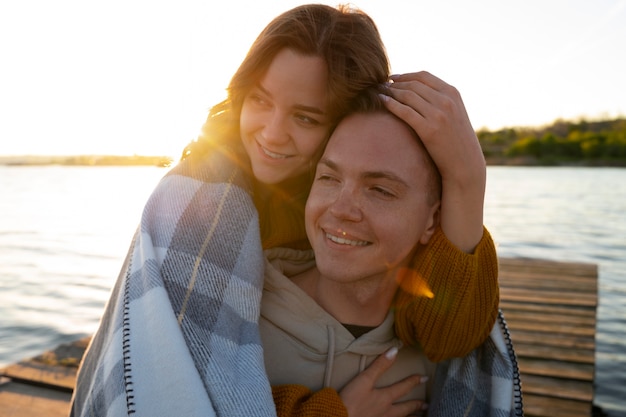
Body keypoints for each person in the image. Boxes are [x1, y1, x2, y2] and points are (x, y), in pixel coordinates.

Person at [70, 4, 500, 417]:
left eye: (306, 118)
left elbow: (452, 338)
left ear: (346, 123)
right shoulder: (197, 203)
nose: (272, 135)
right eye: (259, 100)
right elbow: (178, 383)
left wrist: (467, 178)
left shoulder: (374, 216)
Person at [261, 88, 523, 417]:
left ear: (432, 221)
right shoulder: (238, 319)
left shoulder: (437, 356)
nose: (341, 209)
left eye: (380, 190)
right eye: (329, 177)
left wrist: (468, 179)